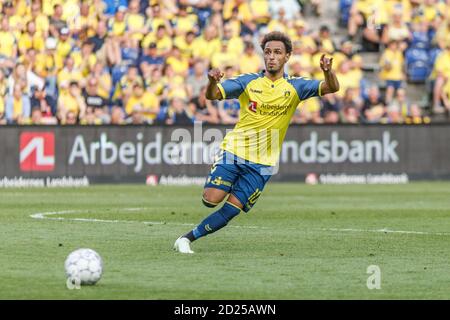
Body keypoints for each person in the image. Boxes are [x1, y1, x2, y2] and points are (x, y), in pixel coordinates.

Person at [174, 31, 339, 254]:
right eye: (268, 52)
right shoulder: (248, 82)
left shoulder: (296, 87)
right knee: (211, 199)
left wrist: (327, 72)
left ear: (287, 56)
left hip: (264, 163)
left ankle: (186, 239)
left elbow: (332, 88)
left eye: (277, 53)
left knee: (232, 209)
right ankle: (231, 181)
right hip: (235, 151)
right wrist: (212, 82)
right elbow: (213, 95)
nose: (271, 57)